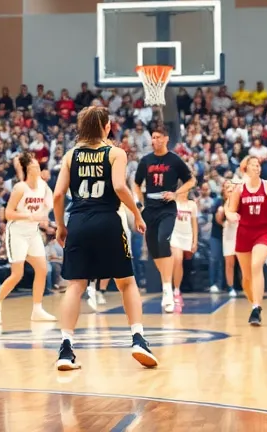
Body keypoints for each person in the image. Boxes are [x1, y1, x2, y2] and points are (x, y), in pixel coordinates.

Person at [53, 105, 156, 371]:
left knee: (75, 285)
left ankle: (65, 348)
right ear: (106, 127)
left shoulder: (70, 155)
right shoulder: (115, 153)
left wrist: (61, 226)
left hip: (78, 222)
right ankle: (138, 339)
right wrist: (137, 214)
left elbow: (57, 195)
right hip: (107, 221)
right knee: (127, 283)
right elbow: (120, 187)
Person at [0, 151, 56, 325]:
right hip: (17, 232)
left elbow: (50, 199)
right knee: (17, 274)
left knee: (42, 269)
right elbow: (8, 213)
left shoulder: (42, 185)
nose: (38, 166)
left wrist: (45, 212)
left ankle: (37, 309)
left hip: (33, 233)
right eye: (34, 165)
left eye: (37, 164)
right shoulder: (20, 188)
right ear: (28, 169)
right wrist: (28, 216)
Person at [133, 128, 194, 313]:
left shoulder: (174, 160)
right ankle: (166, 283)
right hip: (150, 208)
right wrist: (139, 203)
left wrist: (176, 193)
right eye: (153, 137)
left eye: (158, 137)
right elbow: (136, 183)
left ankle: (168, 289)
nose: (155, 140)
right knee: (155, 250)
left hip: (168, 208)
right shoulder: (146, 160)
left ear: (166, 138)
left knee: (163, 240)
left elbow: (191, 181)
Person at [226, 154, 267, 326]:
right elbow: (230, 210)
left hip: (263, 232)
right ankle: (254, 304)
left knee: (256, 265)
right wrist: (231, 216)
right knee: (246, 277)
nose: (256, 167)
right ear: (246, 169)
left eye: (258, 165)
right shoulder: (239, 189)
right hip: (244, 233)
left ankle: (256, 307)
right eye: (253, 165)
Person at [167, 186, 198, 309]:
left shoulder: (192, 205)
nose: (185, 192)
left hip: (187, 236)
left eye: (187, 190)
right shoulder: (173, 203)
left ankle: (176, 288)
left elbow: (194, 224)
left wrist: (195, 241)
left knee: (180, 263)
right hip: (175, 235)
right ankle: (175, 292)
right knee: (177, 259)